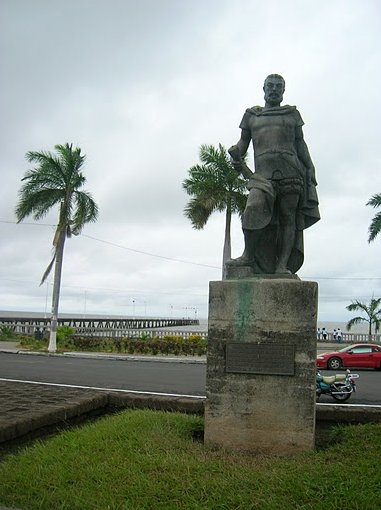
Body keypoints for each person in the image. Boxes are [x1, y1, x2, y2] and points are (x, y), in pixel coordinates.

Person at [227, 74, 320, 274]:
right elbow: (243, 142)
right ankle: (249, 256)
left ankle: (282, 266)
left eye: (279, 86)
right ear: (264, 88)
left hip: (291, 171)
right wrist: (236, 151)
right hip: (262, 175)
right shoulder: (252, 115)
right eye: (271, 85)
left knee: (288, 218)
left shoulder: (292, 114)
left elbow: (300, 143)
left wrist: (310, 166)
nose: (274, 89)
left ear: (284, 90)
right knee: (253, 208)